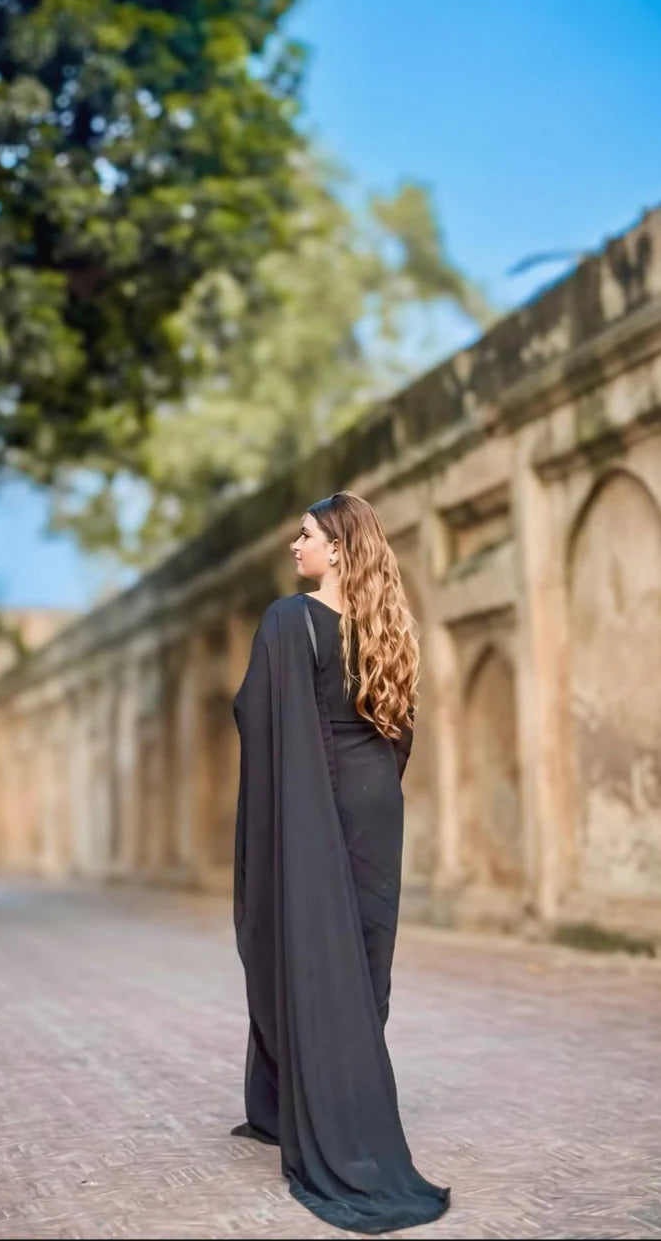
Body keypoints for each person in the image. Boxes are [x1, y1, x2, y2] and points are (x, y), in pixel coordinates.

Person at [231, 490, 450, 1234]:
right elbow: (399, 731)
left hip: (318, 801)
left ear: (337, 547)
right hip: (376, 803)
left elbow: (259, 713)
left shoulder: (288, 619)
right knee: (364, 952)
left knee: (305, 949)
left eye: (306, 535)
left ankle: (323, 1111)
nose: (295, 546)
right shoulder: (385, 624)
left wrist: (303, 812)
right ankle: (349, 1096)